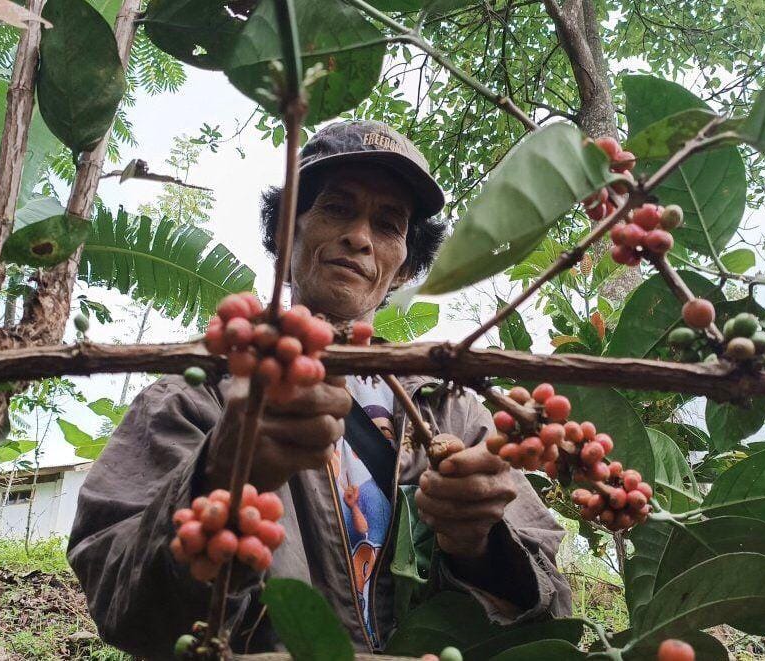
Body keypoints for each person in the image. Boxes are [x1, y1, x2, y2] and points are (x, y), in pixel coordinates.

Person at [68, 120, 572, 659]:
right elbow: (119, 600)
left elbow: (551, 611)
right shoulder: (200, 397)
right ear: (288, 232)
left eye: (388, 224)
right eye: (337, 208)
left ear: (405, 267)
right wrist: (217, 473)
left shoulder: (455, 413)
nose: (360, 237)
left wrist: (479, 545)